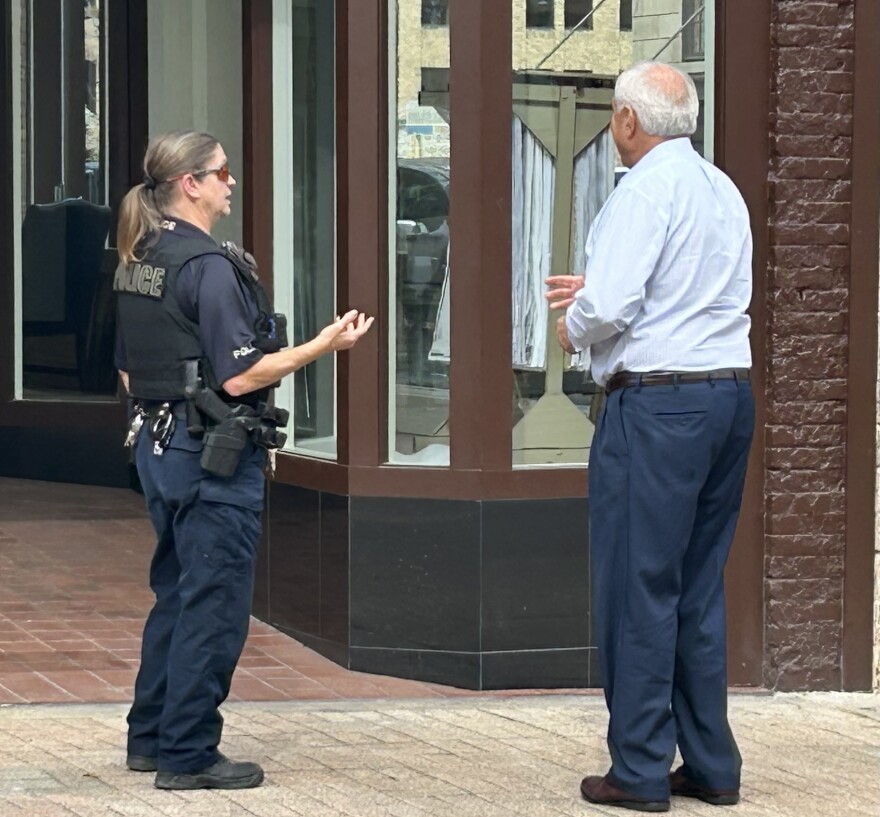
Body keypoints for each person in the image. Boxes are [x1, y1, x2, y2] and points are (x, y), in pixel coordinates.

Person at [114, 131, 373, 791]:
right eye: (222, 171)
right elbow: (241, 376)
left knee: (176, 592)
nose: (232, 181)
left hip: (158, 447)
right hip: (211, 458)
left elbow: (125, 371)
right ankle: (188, 752)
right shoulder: (208, 265)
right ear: (191, 183)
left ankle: (149, 737)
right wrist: (323, 345)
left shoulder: (140, 257)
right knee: (215, 604)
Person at [546, 62, 753, 813]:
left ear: (630, 122)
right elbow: (684, 289)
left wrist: (578, 318)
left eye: (613, 115)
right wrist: (601, 290)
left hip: (659, 407)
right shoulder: (721, 189)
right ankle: (711, 762)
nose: (611, 128)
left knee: (639, 586)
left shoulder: (643, 188)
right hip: (727, 394)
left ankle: (636, 768)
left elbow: (614, 305)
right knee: (696, 586)